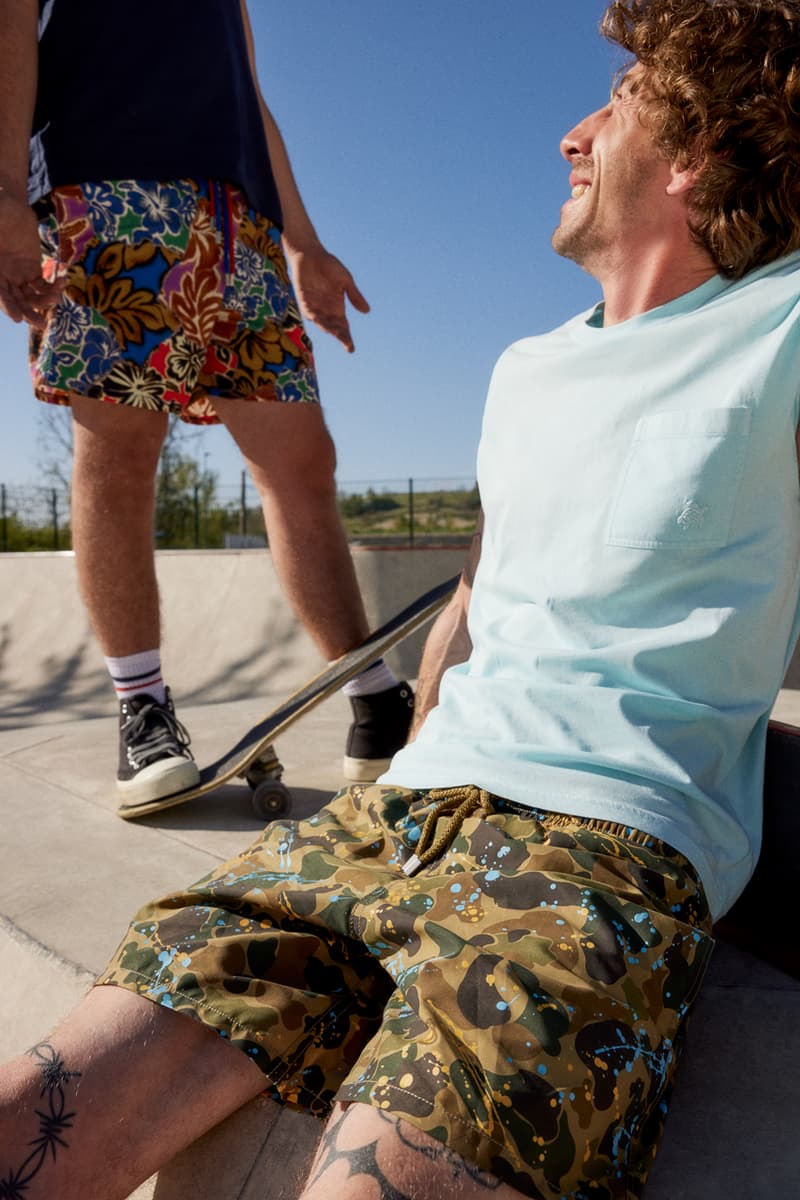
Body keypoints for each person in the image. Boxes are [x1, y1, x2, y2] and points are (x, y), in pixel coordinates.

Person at [3, 0, 800, 1196]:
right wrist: (409, 736)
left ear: (694, 152)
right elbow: (472, 600)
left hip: (596, 848)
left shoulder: (778, 321)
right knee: (41, 1108)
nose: (570, 137)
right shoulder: (526, 369)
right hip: (387, 826)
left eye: (612, 106)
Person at [0, 0, 413, 812]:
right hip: (108, 189)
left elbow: (248, 92)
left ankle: (374, 698)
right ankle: (142, 709)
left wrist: (303, 242)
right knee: (120, 449)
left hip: (239, 218)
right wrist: (9, 191)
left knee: (300, 459)